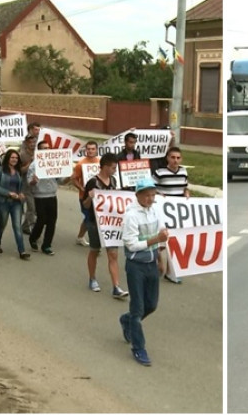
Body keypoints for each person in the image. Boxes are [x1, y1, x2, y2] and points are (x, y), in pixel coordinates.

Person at [118, 178, 169, 366]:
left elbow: (162, 235)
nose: (150, 198)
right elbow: (130, 244)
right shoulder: (131, 216)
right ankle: (139, 348)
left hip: (151, 264)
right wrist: (155, 239)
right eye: (146, 195)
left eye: (153, 195)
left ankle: (127, 320)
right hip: (136, 266)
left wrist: (160, 258)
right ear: (138, 195)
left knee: (152, 305)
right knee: (138, 308)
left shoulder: (155, 211)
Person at [81, 153, 129, 298]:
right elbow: (85, 205)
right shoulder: (92, 183)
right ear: (106, 166)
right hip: (95, 223)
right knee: (94, 251)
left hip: (111, 224)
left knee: (113, 254)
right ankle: (92, 278)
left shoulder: (113, 181)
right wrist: (90, 196)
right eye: (113, 167)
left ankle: (116, 287)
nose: (115, 170)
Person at [153, 146, 189, 284]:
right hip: (162, 212)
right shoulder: (159, 173)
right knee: (161, 242)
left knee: (174, 241)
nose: (175, 160)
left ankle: (170, 271)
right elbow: (150, 187)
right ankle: (159, 261)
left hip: (178, 213)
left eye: (178, 158)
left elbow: (185, 187)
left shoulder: (183, 172)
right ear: (167, 158)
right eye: (173, 157)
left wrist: (186, 193)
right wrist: (157, 193)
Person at [26, 140, 67, 255]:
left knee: (52, 221)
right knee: (41, 219)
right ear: (39, 151)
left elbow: (61, 180)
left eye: (48, 148)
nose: (47, 150)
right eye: (44, 148)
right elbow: (29, 182)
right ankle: (33, 238)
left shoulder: (54, 163)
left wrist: (70, 177)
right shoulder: (34, 165)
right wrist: (33, 181)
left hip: (52, 196)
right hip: (40, 196)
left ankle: (47, 245)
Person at [0, 149, 30, 260]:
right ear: (7, 158)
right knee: (2, 224)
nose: (14, 160)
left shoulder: (18, 172)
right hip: (3, 202)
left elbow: (21, 185)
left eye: (16, 158)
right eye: (12, 157)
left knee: (17, 226)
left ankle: (22, 251)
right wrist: (8, 193)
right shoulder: (0, 170)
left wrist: (21, 193)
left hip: (16, 203)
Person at [71, 141, 100, 246]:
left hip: (98, 196)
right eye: (88, 149)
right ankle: (94, 241)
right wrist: (81, 188)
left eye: (93, 149)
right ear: (85, 150)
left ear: (96, 150)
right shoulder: (80, 164)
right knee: (89, 218)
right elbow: (73, 179)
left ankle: (80, 237)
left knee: (93, 218)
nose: (90, 151)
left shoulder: (100, 162)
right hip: (84, 196)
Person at [19, 134, 37, 235]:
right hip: (26, 185)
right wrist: (31, 161)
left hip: (37, 185)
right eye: (30, 143)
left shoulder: (39, 153)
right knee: (32, 207)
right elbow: (20, 170)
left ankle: (25, 226)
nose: (33, 144)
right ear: (26, 144)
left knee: (36, 209)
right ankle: (32, 227)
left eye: (34, 142)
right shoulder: (22, 155)